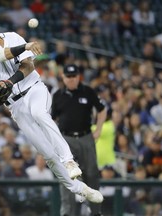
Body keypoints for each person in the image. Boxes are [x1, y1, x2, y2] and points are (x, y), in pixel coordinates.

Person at [0, 13, 103, 203]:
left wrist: (10, 80)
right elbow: (0, 55)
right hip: (15, 105)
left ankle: (69, 160)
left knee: (40, 114)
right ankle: (80, 189)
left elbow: (29, 65)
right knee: (47, 154)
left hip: (34, 89)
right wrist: (25, 46)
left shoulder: (12, 36)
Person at [51, 64, 107, 216]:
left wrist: (99, 129)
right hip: (66, 139)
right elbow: (51, 119)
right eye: (68, 76)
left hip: (85, 137)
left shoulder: (87, 91)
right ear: (63, 77)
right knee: (67, 177)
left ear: (78, 77)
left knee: (92, 174)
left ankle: (95, 212)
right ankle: (67, 213)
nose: (71, 79)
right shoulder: (58, 95)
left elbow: (102, 110)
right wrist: (56, 138)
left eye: (74, 76)